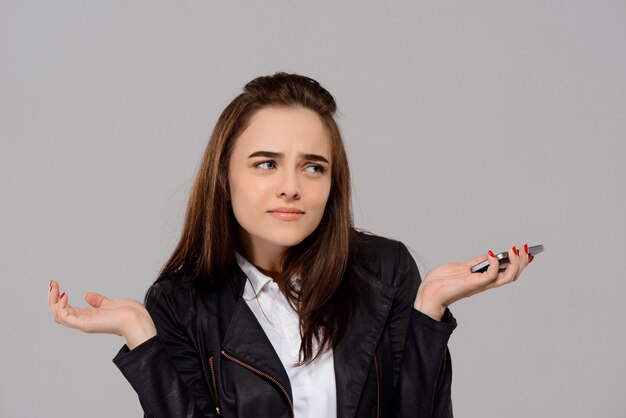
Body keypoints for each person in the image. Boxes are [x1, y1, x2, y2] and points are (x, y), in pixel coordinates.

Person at [48, 73, 532, 418]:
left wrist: (428, 312)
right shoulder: (180, 304)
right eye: (265, 163)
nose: (290, 186)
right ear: (224, 176)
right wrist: (140, 334)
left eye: (313, 166)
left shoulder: (386, 271)